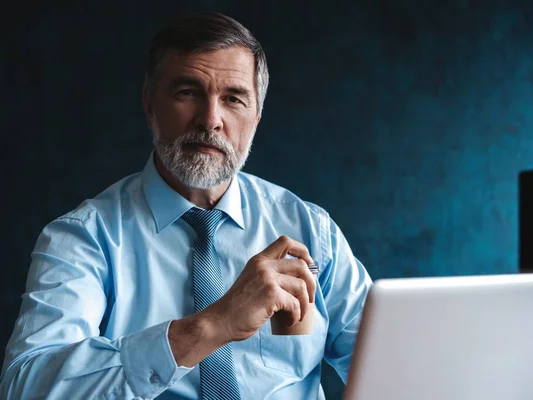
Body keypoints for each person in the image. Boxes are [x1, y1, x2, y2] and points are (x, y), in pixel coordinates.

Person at [0, 12, 372, 399]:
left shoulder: (312, 230)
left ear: (256, 118)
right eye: (187, 92)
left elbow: (394, 367)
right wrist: (213, 325)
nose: (210, 119)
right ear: (149, 105)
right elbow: (28, 387)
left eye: (233, 98)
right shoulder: (83, 238)